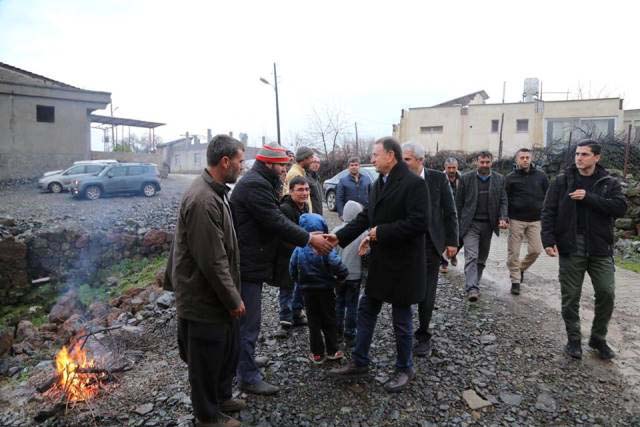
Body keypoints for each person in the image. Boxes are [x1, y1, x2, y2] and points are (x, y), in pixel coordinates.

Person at [327, 137, 429, 393]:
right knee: (366, 310)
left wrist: (380, 233)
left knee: (401, 319)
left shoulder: (414, 184)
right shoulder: (378, 183)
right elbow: (366, 217)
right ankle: (360, 361)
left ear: (390, 156)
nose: (371, 159)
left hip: (404, 265)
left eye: (375, 154)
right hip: (381, 263)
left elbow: (419, 223)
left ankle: (405, 368)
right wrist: (339, 237)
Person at [230, 143, 333, 396]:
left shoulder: (261, 181)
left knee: (249, 321)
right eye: (282, 165)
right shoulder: (255, 185)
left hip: (252, 259)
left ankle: (245, 361)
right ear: (268, 163)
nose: (285, 169)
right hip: (248, 262)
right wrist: (309, 239)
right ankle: (247, 376)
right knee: (249, 323)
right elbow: (275, 221)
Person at [164, 134, 246, 427]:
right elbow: (213, 260)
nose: (242, 166)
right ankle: (207, 416)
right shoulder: (203, 199)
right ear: (225, 162)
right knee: (205, 359)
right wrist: (233, 299)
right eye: (240, 161)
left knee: (225, 351)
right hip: (202, 297)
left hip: (215, 295)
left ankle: (221, 398)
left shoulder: (216, 191)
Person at [541, 139, 627, 360]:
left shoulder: (608, 182)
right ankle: (573, 340)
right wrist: (548, 240)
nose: (579, 158)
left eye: (585, 154)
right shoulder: (562, 181)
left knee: (606, 293)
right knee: (571, 297)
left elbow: (620, 208)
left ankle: (598, 338)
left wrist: (589, 198)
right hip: (571, 244)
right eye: (577, 154)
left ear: (597, 157)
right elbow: (549, 211)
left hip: (600, 245)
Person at [402, 142, 458, 358]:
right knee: (404, 288)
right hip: (405, 243)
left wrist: (452, 241)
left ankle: (423, 334)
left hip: (430, 244)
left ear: (420, 160)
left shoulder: (437, 179)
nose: (402, 163)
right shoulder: (398, 179)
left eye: (407, 159)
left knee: (427, 291)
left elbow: (450, 211)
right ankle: (403, 331)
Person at [290, 213, 348, 364]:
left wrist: (298, 281)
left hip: (307, 291)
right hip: (326, 290)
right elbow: (336, 263)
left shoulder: (299, 248)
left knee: (313, 322)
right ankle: (332, 350)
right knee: (329, 319)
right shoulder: (325, 245)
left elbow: (292, 268)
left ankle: (317, 354)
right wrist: (342, 275)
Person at [456, 151, 508, 302]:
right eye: (482, 162)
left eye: (487, 162)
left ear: (492, 162)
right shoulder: (466, 178)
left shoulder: (499, 179)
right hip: (470, 224)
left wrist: (503, 217)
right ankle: (472, 288)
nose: (484, 165)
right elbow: (458, 202)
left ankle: (475, 283)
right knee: (471, 255)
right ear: (476, 162)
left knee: (481, 258)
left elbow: (503, 200)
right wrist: (457, 224)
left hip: (489, 225)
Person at [505, 148, 549, 295]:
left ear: (531, 159)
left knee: (536, 250)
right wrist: (504, 217)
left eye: (527, 157)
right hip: (516, 219)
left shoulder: (541, 176)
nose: (525, 160)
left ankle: (521, 268)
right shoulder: (510, 178)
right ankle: (515, 281)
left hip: (536, 219)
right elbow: (504, 199)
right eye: (522, 157)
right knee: (514, 252)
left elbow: (548, 196)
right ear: (517, 159)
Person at [273, 176, 310, 339]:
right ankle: (285, 321)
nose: (304, 193)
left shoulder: (305, 206)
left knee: (300, 285)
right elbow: (282, 234)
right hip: (287, 254)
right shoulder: (285, 209)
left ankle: (297, 314)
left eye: (307, 189)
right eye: (300, 190)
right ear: (291, 191)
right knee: (287, 287)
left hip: (301, 253)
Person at [331, 200, 367, 347]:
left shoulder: (336, 231)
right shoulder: (363, 233)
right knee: (352, 306)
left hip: (339, 275)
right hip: (355, 276)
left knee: (338, 303)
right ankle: (350, 334)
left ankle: (337, 333)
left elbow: (331, 253)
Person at [440, 157, 462, 272]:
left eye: (454, 168)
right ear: (445, 167)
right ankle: (443, 263)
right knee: (443, 237)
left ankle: (453, 254)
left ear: (457, 167)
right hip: (444, 212)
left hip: (458, 212)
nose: (452, 170)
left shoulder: (462, 179)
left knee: (459, 237)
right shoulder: (440, 178)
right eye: (449, 168)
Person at [285, 146, 314, 212]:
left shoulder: (300, 172)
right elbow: (292, 199)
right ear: (304, 158)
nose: (313, 160)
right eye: (311, 157)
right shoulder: (294, 174)